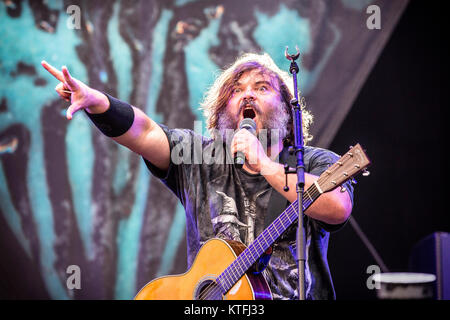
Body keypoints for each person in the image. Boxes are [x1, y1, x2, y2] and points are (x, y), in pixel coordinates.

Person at [41, 52, 354, 300]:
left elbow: (337, 208)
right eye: (237, 89)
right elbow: (146, 132)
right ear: (221, 110)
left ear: (287, 112)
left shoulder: (311, 162)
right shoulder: (198, 158)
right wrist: (98, 103)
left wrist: (265, 165)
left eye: (262, 87)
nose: (247, 95)